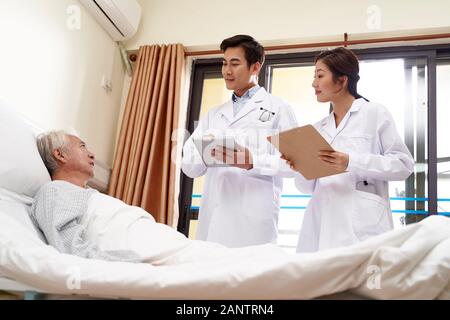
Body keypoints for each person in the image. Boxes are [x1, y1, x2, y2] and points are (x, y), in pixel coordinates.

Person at [31, 131, 287, 265]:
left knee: (229, 257)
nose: (92, 153)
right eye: (83, 146)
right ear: (60, 155)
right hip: (144, 252)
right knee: (233, 262)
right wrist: (135, 266)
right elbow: (71, 248)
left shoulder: (87, 195)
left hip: (155, 241)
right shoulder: (54, 192)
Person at [281, 47, 415, 253]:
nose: (313, 83)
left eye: (320, 75)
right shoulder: (318, 128)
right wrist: (300, 166)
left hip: (361, 224)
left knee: (361, 282)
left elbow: (403, 165)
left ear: (342, 80)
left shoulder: (375, 113)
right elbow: (307, 188)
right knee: (320, 280)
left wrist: (351, 162)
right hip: (321, 222)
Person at [181, 35, 298, 248]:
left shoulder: (279, 108)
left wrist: (253, 161)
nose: (227, 70)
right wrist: (206, 152)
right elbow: (189, 167)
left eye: (235, 64)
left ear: (255, 67)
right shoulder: (214, 114)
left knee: (250, 276)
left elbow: (296, 164)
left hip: (254, 221)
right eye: (224, 63)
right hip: (214, 217)